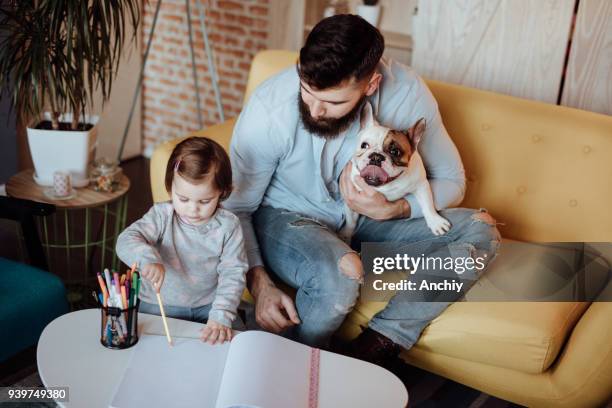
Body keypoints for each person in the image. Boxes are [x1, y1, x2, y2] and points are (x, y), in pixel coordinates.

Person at [224, 14, 501, 366]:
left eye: (334, 102)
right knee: (340, 274)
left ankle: (378, 345)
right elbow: (236, 207)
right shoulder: (270, 111)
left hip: (375, 219)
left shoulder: (407, 95)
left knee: (481, 232)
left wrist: (396, 210)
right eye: (307, 92)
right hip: (288, 218)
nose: (315, 108)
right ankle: (293, 367)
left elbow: (453, 181)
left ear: (371, 84)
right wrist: (260, 284)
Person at [116, 137, 248, 344]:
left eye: (205, 201)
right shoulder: (162, 216)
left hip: (210, 305)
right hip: (159, 304)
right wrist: (148, 258)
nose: (192, 209)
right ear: (170, 189)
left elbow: (234, 273)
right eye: (183, 199)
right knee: (149, 348)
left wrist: (220, 315)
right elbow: (125, 240)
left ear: (221, 192)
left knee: (239, 343)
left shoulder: (228, 226)